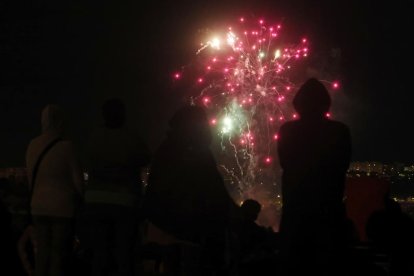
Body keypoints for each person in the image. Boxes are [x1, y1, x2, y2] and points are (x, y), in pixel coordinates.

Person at [144, 104, 239, 275]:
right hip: (192, 223)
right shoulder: (201, 153)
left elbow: (156, 185)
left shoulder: (166, 149)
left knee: (171, 264)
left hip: (166, 222)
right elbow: (215, 188)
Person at [276, 78, 352, 275]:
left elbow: (285, 163)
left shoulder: (287, 130)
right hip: (328, 211)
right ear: (325, 103)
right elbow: (342, 165)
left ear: (298, 103)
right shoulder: (339, 131)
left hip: (295, 209)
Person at [83, 98, 150, 276]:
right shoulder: (131, 137)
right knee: (124, 253)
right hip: (124, 201)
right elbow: (145, 158)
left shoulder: (94, 137)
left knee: (99, 253)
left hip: (95, 200)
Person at [25, 104, 84, 276]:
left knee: (42, 255)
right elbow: (78, 183)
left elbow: (30, 180)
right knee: (59, 257)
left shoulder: (32, 146)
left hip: (38, 207)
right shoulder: (67, 147)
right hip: (62, 210)